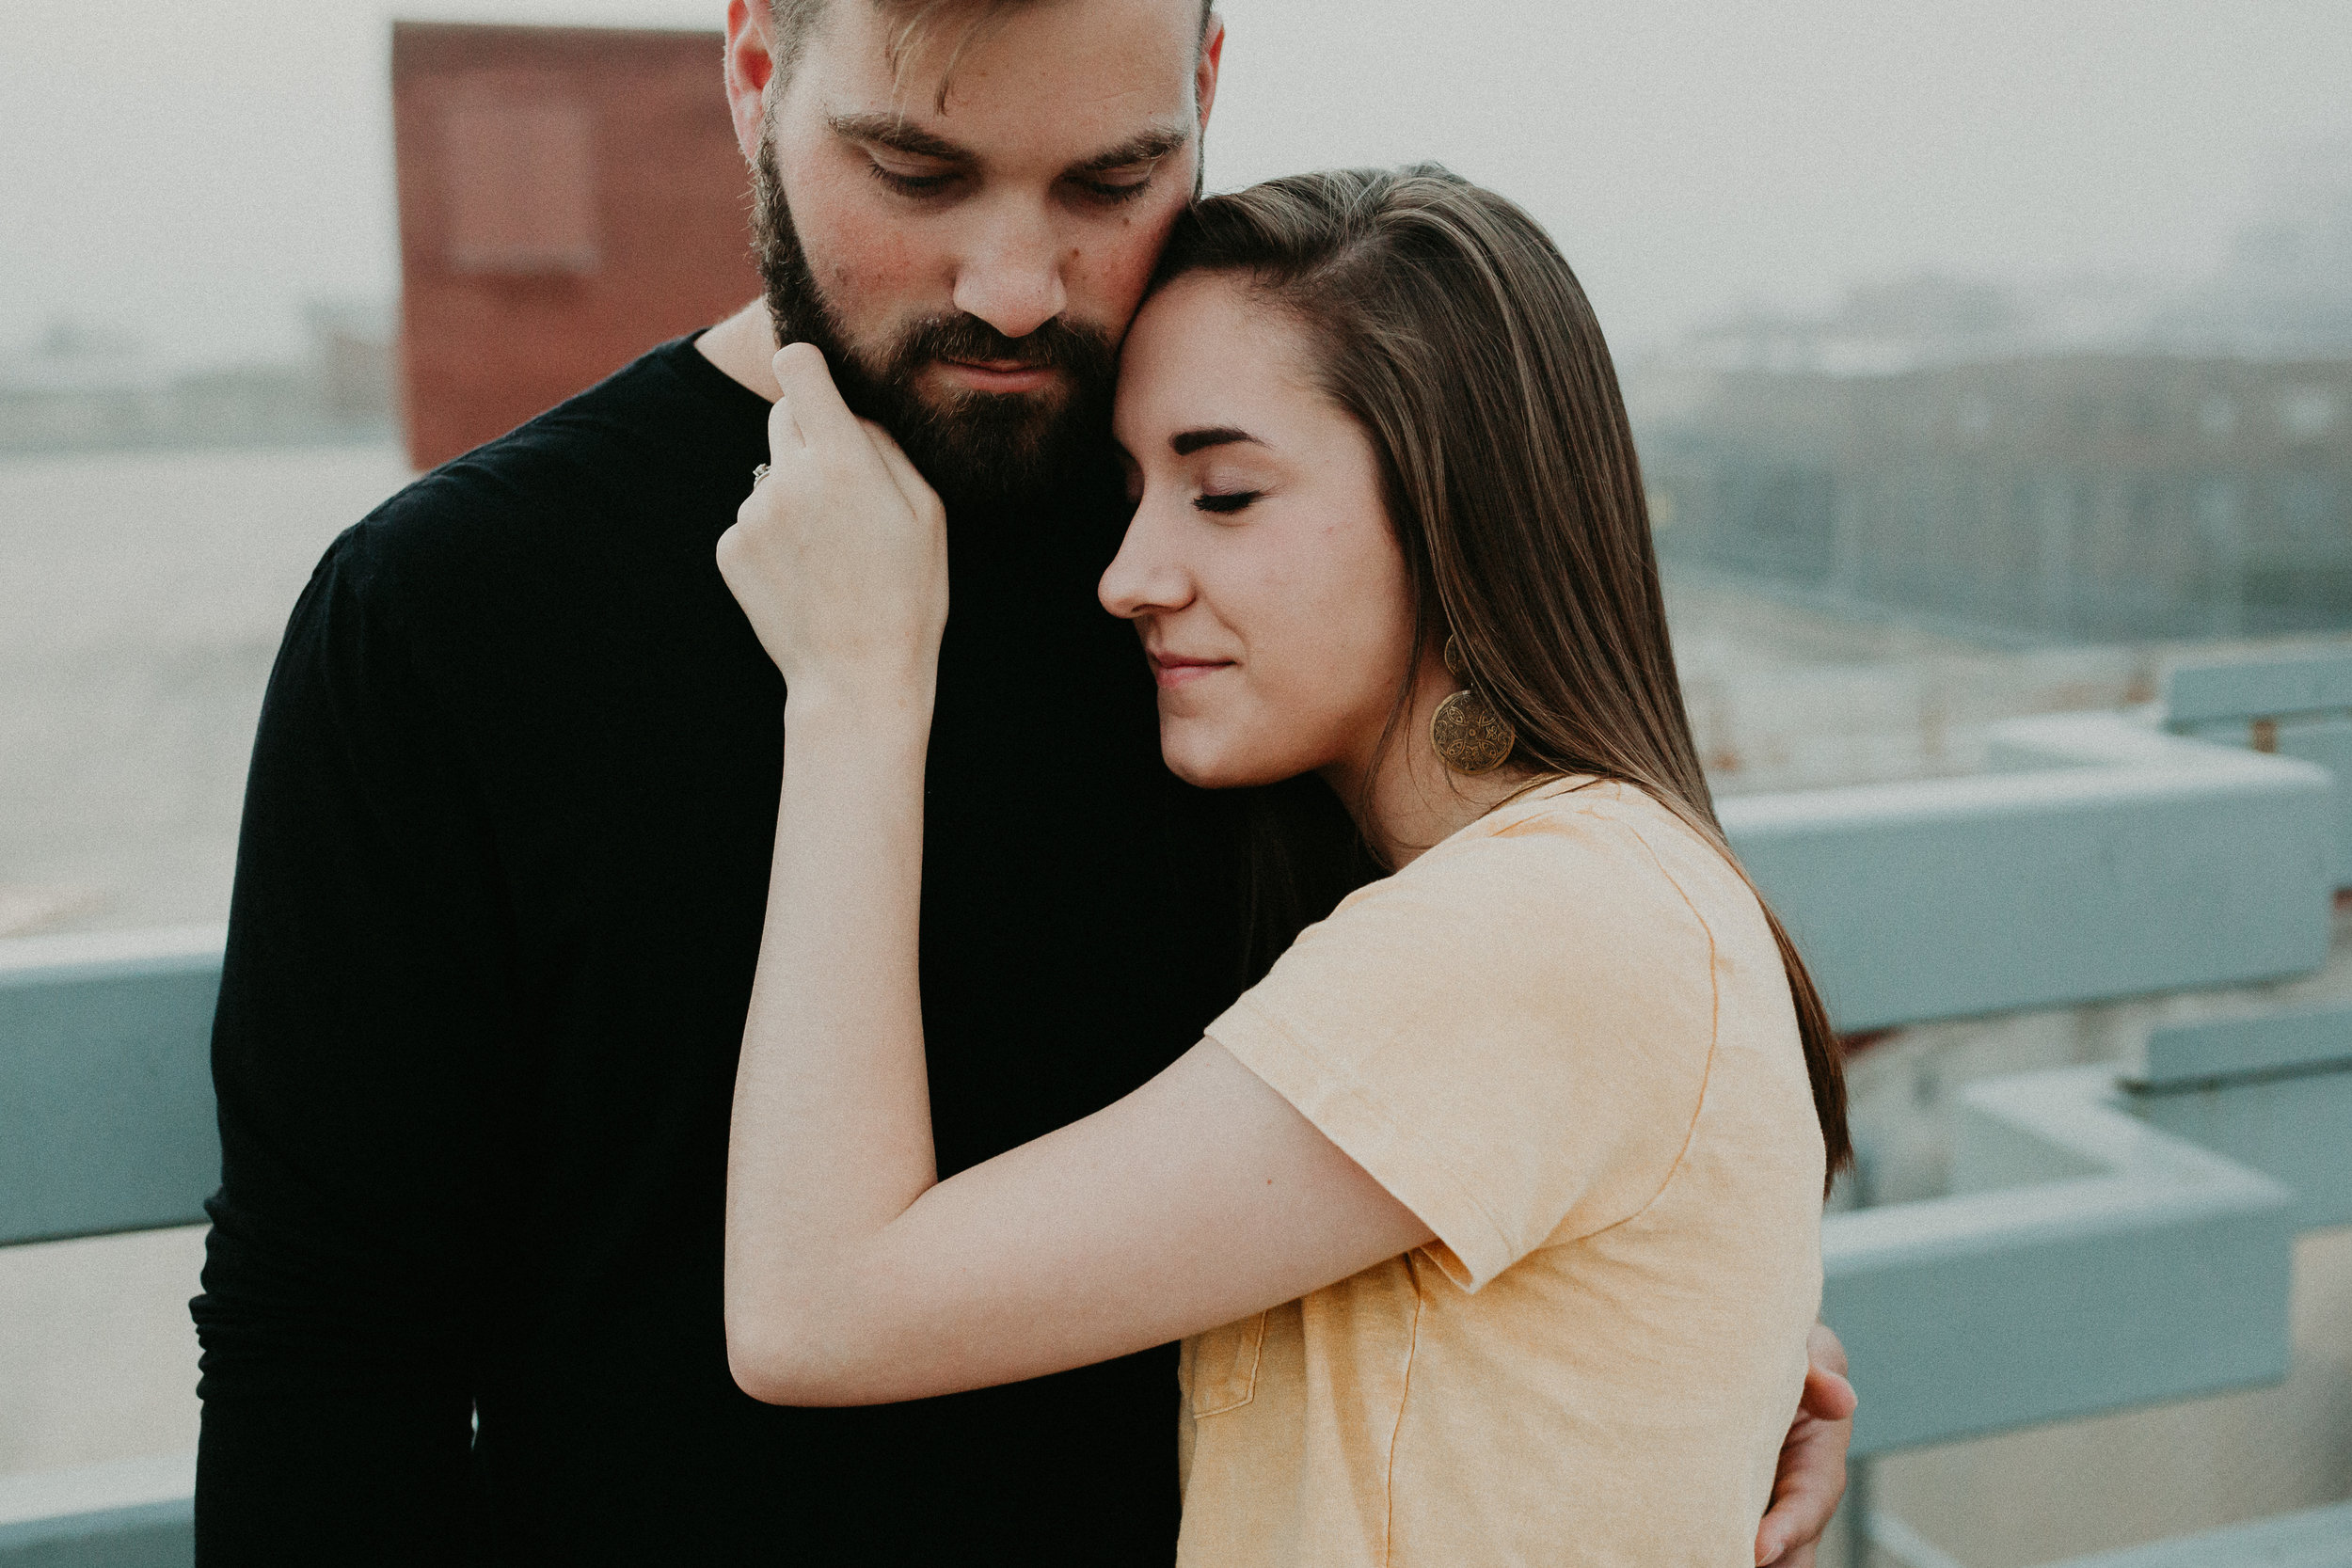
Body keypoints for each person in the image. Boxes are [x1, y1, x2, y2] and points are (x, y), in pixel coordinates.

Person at [191, 1, 1854, 1561]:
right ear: (757, 71)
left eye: (1110, 181)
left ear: (1204, 90)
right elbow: (328, 1344)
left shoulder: (1260, 595)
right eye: (916, 172)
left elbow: (1474, 1081)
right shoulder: (456, 608)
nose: (1010, 285)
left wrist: (1658, 1349)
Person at [718, 163, 1850, 1564]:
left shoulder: (1538, 924)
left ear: (1458, 506)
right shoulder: (1580, 899)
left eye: (1228, 492)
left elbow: (816, 1310)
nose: (1128, 574)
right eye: (1132, 493)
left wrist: (855, 687)